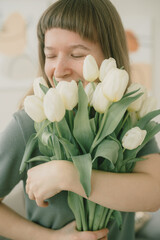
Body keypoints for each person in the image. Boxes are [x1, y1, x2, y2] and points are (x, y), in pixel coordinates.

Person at [0, 0, 160, 239]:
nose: (59, 69)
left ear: (109, 56)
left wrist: (68, 175)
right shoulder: (30, 122)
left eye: (76, 54)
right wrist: (51, 238)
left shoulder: (128, 120)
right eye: (50, 55)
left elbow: (153, 195)